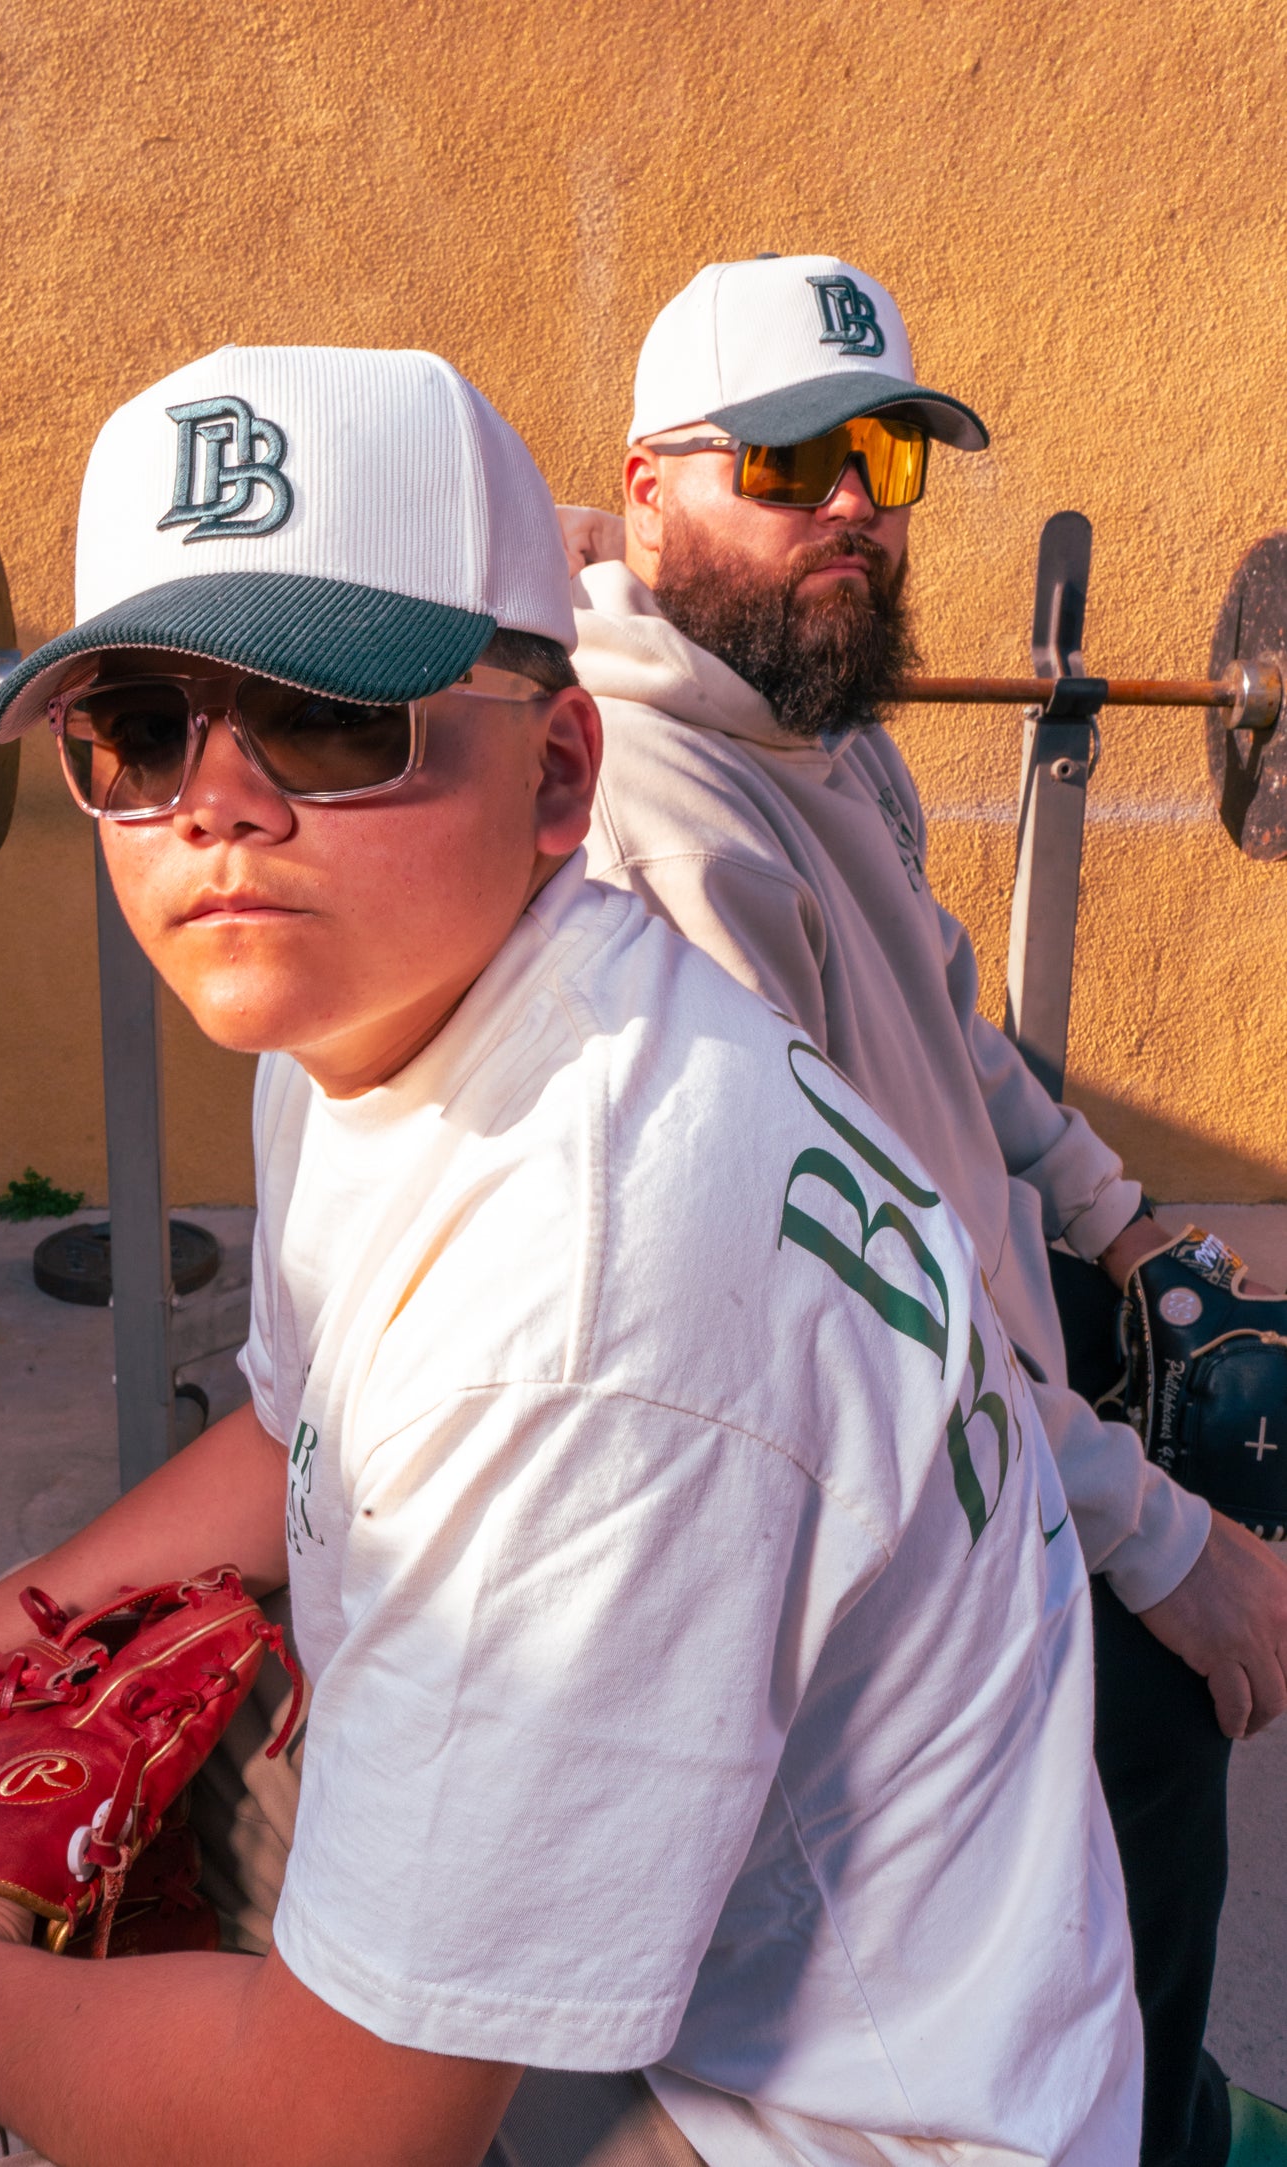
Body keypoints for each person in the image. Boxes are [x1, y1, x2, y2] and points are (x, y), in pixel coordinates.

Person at [0, 343, 1141, 2167]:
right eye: (138, 728)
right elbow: (296, 1424)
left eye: (325, 717)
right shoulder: (398, 1006)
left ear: (558, 772)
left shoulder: (587, 1275)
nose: (215, 802)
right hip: (831, 1972)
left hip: (832, 2123)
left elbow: (340, 2129)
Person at [556, 253, 1287, 2167]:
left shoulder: (828, 734)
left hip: (985, 1398)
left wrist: (1121, 1228)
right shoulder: (659, 821)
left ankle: (1162, 2101)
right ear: (647, 488)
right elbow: (843, 1287)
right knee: (1142, 1738)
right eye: (788, 462)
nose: (855, 507)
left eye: (885, 451)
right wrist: (1147, 1533)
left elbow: (955, 1042)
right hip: (867, 1467)